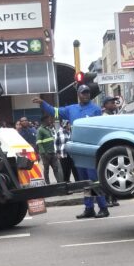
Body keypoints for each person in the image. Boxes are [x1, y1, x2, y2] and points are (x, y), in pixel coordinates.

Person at [33, 86, 109, 218]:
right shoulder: (71, 109)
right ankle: (89, 208)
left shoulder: (95, 109)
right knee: (84, 181)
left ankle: (103, 207)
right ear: (78, 95)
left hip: (91, 149)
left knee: (94, 180)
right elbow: (54, 111)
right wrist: (42, 103)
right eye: (83, 93)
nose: (86, 95)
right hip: (78, 151)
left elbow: (100, 129)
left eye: (88, 93)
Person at [100, 95, 120, 206]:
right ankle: (107, 199)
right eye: (111, 102)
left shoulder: (113, 115)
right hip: (107, 151)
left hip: (114, 150)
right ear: (106, 105)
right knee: (106, 177)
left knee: (114, 175)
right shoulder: (105, 117)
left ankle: (113, 197)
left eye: (114, 102)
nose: (113, 104)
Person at [35, 114, 61, 184]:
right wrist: (43, 152)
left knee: (56, 168)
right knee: (46, 169)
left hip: (52, 152)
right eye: (49, 119)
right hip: (45, 154)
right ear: (44, 120)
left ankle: (59, 182)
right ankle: (47, 183)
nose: (50, 121)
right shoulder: (40, 130)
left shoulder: (48, 129)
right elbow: (39, 142)